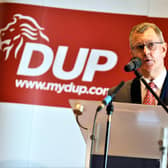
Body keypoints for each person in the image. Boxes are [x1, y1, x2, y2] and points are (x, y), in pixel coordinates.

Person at [109, 22, 168, 105]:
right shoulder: (119, 94)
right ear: (132, 54)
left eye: (151, 45)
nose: (146, 52)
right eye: (140, 47)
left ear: (163, 50)